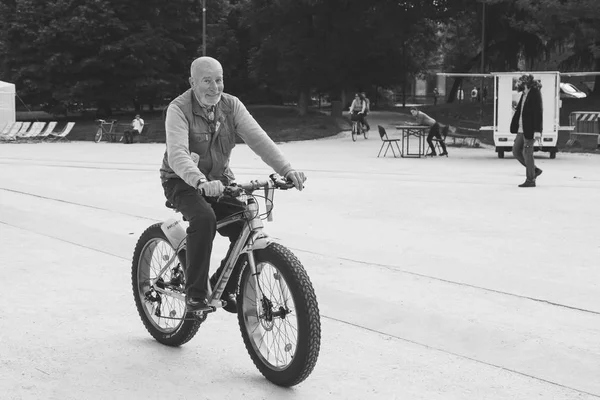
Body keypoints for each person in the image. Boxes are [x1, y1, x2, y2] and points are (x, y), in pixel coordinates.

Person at [159, 56, 307, 313]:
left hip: (220, 181)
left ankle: (223, 286)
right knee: (204, 219)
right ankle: (195, 295)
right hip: (180, 180)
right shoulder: (178, 109)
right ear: (192, 82)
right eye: (207, 80)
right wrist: (200, 181)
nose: (215, 87)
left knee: (245, 225)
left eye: (219, 80)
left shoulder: (231, 106)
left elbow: (259, 139)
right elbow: (178, 154)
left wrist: (287, 169)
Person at [510, 74, 543, 188]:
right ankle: (534, 170)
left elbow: (538, 112)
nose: (518, 85)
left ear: (525, 83)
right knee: (516, 151)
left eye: (520, 83)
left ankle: (531, 179)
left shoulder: (535, 93)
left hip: (530, 129)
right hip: (521, 129)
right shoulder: (524, 94)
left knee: (527, 153)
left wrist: (538, 130)